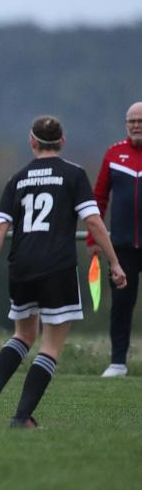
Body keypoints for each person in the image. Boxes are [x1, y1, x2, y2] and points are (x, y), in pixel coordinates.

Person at [0, 116, 127, 428]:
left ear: (32, 142)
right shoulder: (73, 175)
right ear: (62, 142)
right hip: (56, 266)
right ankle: (21, 418)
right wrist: (114, 262)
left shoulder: (16, 179)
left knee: (23, 334)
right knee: (50, 345)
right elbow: (94, 222)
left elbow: (0, 228)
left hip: (20, 265)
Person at [88, 102, 142, 378]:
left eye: (140, 120)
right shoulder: (114, 154)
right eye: (131, 121)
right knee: (121, 305)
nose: (136, 125)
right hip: (121, 247)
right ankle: (118, 362)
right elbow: (98, 199)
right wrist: (93, 239)